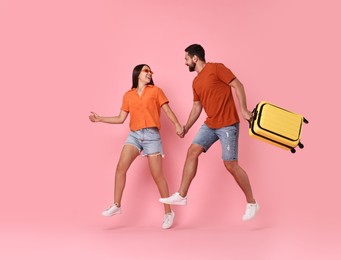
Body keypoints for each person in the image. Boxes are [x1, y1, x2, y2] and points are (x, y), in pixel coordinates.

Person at [159, 44, 259, 221]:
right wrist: (186, 127)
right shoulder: (195, 82)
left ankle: (252, 202)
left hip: (228, 124)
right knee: (192, 151)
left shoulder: (216, 68)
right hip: (210, 124)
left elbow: (238, 85)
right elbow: (197, 107)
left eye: (186, 59)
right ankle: (182, 195)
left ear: (195, 58)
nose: (185, 62)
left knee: (230, 165)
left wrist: (243, 110)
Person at [89, 64, 183, 229]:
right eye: (146, 70)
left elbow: (167, 111)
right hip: (134, 135)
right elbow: (120, 118)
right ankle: (116, 205)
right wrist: (100, 118)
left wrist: (177, 124)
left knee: (157, 176)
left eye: (150, 71)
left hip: (152, 136)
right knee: (120, 167)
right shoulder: (128, 95)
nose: (149, 73)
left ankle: (169, 212)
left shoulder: (156, 91)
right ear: (137, 73)